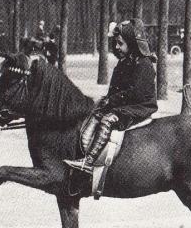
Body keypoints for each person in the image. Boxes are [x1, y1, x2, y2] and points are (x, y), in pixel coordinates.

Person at [64, 19, 157, 174]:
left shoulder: (143, 64)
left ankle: (89, 161)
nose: (116, 47)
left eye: (120, 43)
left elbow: (136, 93)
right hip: (126, 104)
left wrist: (112, 101)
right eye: (115, 43)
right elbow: (116, 88)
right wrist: (105, 100)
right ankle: (82, 151)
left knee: (107, 120)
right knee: (95, 113)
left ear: (132, 43)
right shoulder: (125, 62)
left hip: (139, 107)